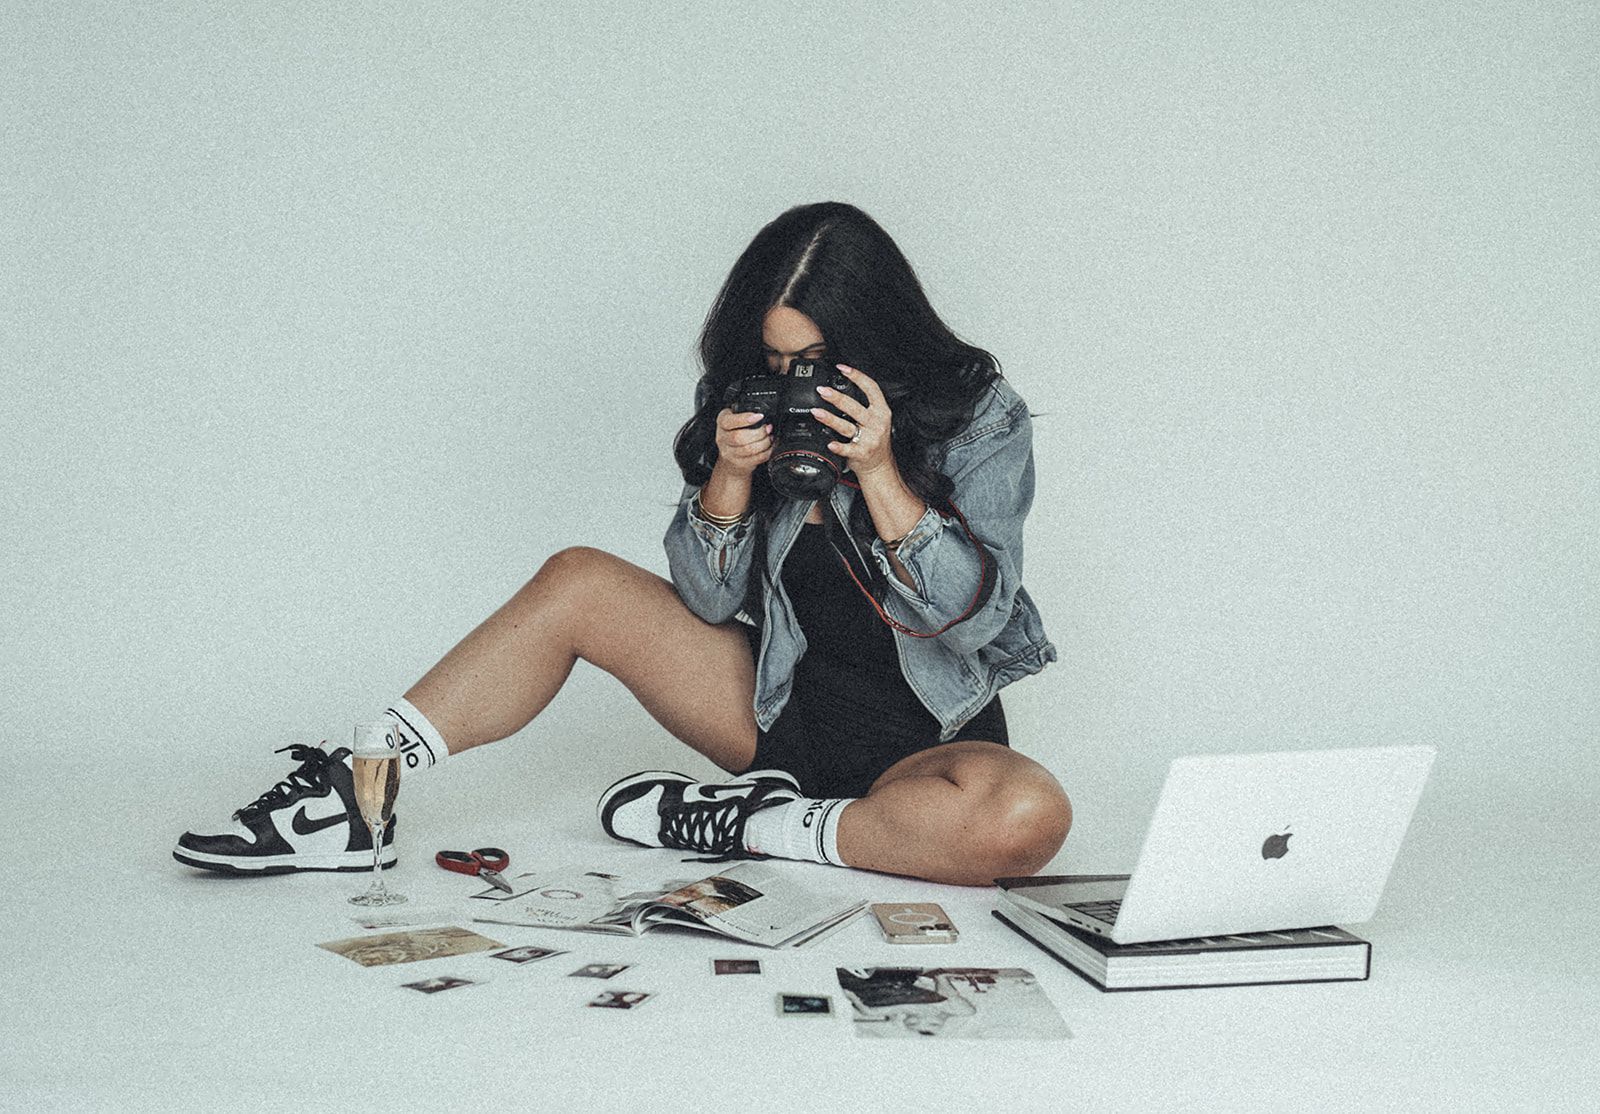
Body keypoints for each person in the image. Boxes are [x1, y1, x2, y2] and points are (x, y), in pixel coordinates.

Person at [174, 202, 1070, 887]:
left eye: (820, 366)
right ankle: (357, 793)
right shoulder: (751, 408)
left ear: (877, 342)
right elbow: (711, 605)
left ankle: (743, 825)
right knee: (578, 580)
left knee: (1024, 820)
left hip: (926, 740)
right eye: (777, 362)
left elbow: (973, 621)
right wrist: (727, 474)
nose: (798, 387)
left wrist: (879, 473)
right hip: (772, 712)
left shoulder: (977, 419)